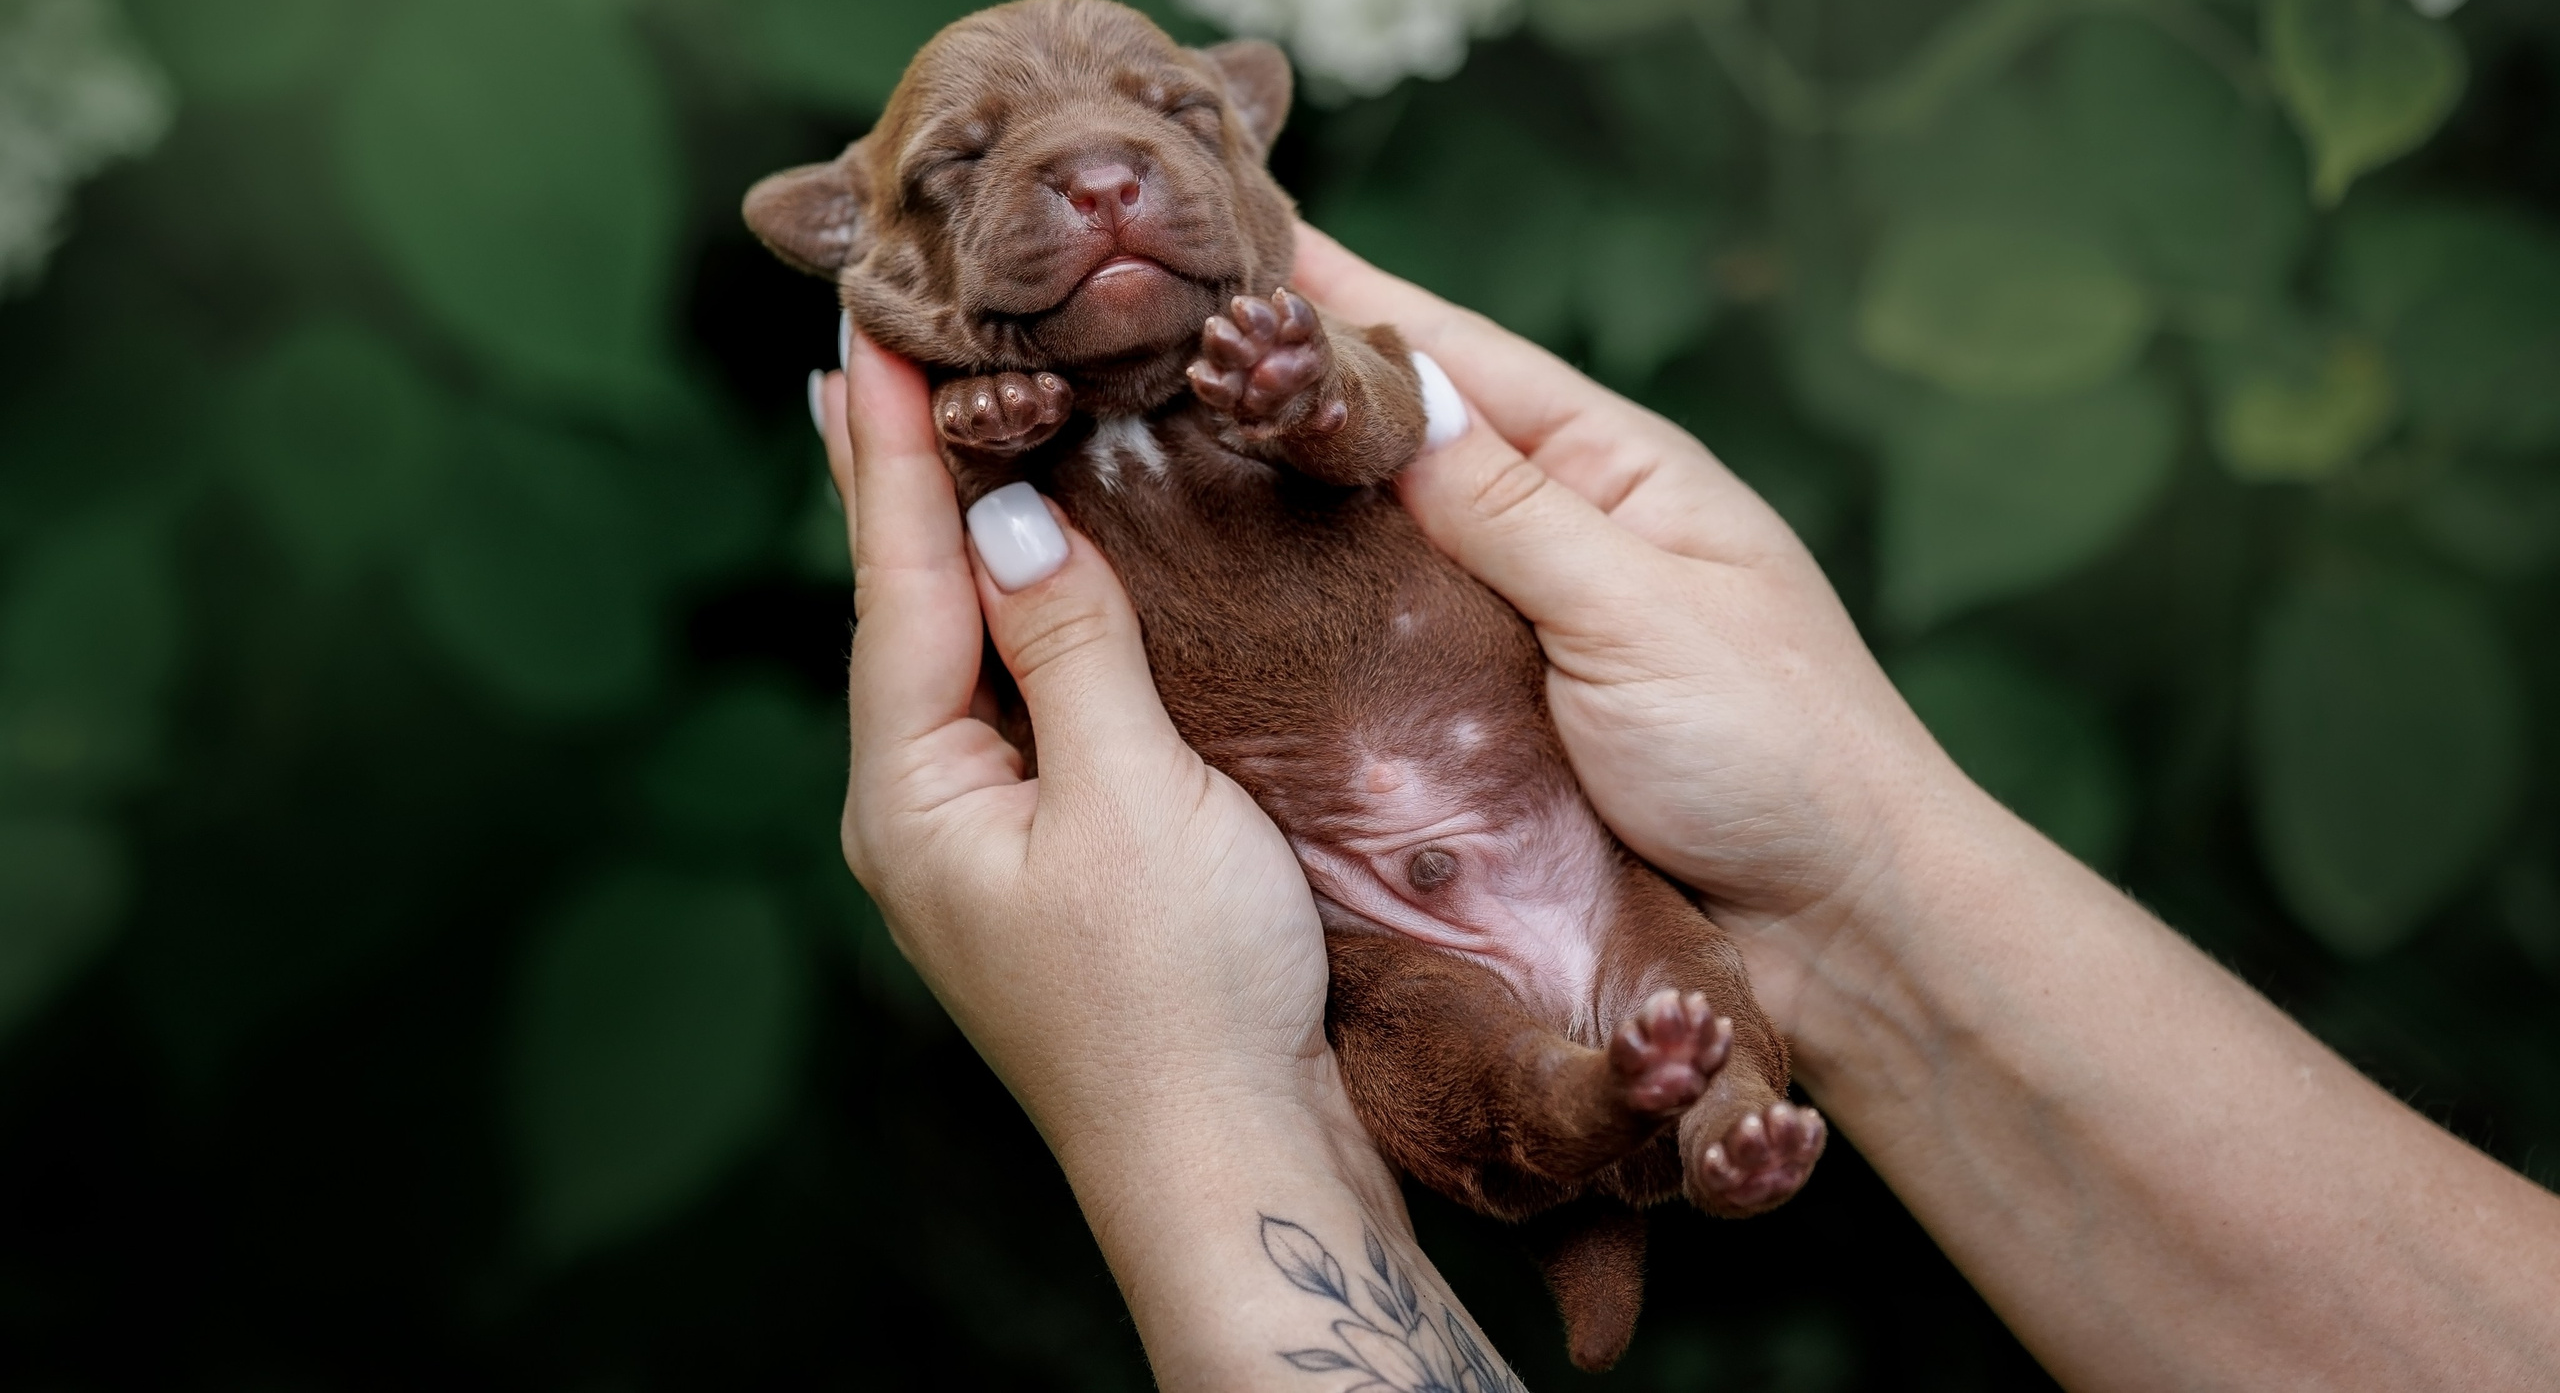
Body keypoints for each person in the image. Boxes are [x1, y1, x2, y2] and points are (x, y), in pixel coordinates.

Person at [807, 222, 2560, 1393]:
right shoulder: (1014, 395)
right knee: (1456, 1025)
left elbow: (1387, 418)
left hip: (1560, 836)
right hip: (1387, 925)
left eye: (1169, 116)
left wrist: (1193, 1118)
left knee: (1656, 956)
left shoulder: (1277, 333)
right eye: (974, 169)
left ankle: (1683, 1101)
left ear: (1245, 153)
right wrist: (988, 436)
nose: (1102, 172)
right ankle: (1628, 1108)